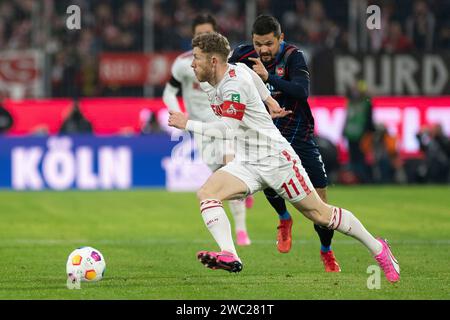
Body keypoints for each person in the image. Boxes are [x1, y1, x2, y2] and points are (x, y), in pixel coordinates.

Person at [168, 32, 400, 283]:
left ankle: (379, 249)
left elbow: (226, 130)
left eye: (198, 59)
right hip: (247, 161)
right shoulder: (223, 75)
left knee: (321, 215)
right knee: (207, 193)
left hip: (276, 160)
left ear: (213, 61)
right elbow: (254, 79)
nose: (192, 64)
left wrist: (187, 123)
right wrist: (269, 102)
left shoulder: (233, 85)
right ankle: (230, 254)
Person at [228, 15, 340, 272]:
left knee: (321, 205)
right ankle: (284, 218)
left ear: (280, 38)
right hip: (269, 138)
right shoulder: (242, 55)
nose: (263, 50)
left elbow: (301, 92)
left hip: (300, 137)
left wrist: (268, 77)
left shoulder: (293, 56)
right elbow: (222, 71)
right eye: (258, 44)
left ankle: (326, 250)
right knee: (265, 179)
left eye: (269, 43)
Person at [163, 14, 284, 246]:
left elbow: (248, 75)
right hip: (202, 129)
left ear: (216, 34)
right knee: (222, 175)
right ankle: (246, 193)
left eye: (207, 33)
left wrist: (268, 100)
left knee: (231, 166)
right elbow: (169, 92)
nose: (202, 37)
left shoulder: (225, 61)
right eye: (198, 34)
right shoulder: (184, 64)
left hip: (227, 122)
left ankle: (241, 232)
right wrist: (177, 113)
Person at [343, 80, 375, 184]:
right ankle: (361, 179)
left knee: (359, 158)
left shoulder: (360, 103)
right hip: (355, 134)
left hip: (359, 135)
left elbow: (368, 121)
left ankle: (364, 179)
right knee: (357, 159)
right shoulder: (362, 103)